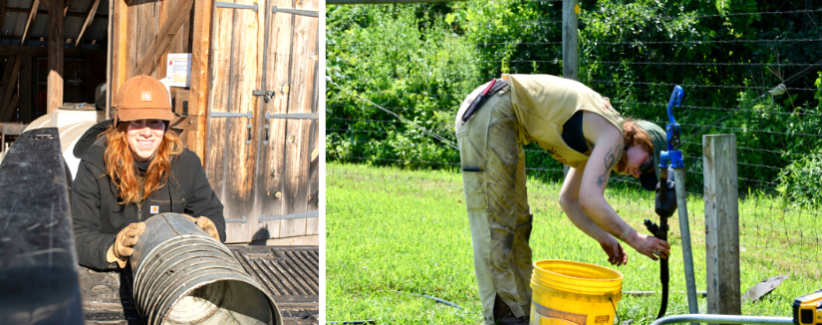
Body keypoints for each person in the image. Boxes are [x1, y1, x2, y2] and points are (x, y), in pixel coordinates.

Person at [454, 74, 672, 324]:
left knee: (519, 224)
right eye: (645, 165)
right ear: (642, 138)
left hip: (503, 118)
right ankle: (502, 319)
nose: (636, 173)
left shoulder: (599, 140)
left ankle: (523, 314)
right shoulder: (613, 135)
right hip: (492, 109)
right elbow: (590, 199)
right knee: (498, 226)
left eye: (642, 175)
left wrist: (604, 237)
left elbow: (568, 200)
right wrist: (636, 239)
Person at [72, 75, 226, 271]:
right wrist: (112, 248)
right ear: (122, 124)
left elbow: (213, 215)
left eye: (155, 122)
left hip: (170, 271)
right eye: (137, 122)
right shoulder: (95, 164)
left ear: (165, 126)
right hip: (113, 273)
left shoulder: (186, 163)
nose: (147, 132)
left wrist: (211, 231)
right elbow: (77, 234)